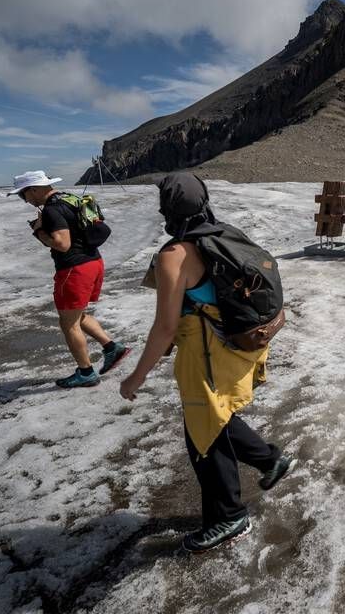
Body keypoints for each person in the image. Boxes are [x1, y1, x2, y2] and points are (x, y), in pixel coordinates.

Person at [119, 172, 291, 553]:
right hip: (236, 345)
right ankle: (270, 460)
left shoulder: (174, 255)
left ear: (167, 208)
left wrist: (135, 377)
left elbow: (165, 328)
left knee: (204, 436)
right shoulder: (223, 234)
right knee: (217, 416)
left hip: (205, 356)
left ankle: (229, 518)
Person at [8, 170, 129, 388]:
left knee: (68, 323)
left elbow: (62, 244)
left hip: (74, 269)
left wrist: (38, 232)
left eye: (22, 194)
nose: (24, 200)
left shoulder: (52, 210)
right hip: (93, 262)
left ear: (34, 190)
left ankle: (86, 372)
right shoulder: (70, 199)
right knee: (78, 315)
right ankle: (112, 348)